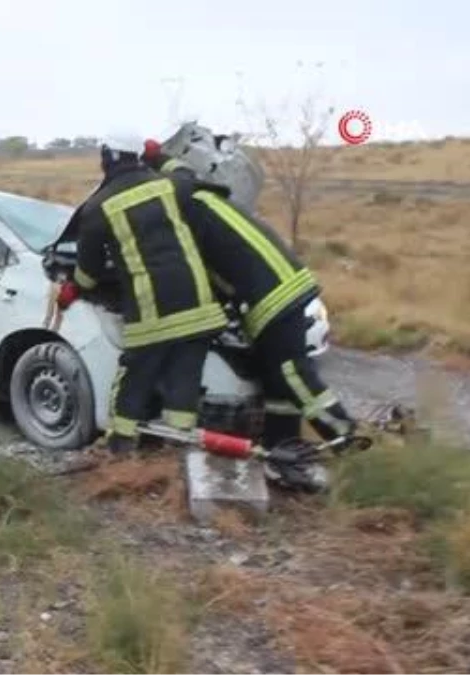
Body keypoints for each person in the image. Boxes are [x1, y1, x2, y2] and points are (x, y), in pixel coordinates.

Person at [56, 135, 229, 457]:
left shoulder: (97, 207)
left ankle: (120, 449)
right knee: (184, 384)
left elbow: (89, 273)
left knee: (134, 381)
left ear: (107, 157)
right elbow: (190, 175)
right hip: (200, 308)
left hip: (153, 316)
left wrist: (72, 288)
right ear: (139, 156)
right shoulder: (171, 185)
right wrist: (160, 156)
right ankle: (177, 453)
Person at [173, 172, 359, 449]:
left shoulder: (187, 217)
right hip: (283, 287)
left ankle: (347, 439)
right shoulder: (206, 200)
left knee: (292, 374)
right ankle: (282, 445)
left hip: (274, 298)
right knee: (277, 382)